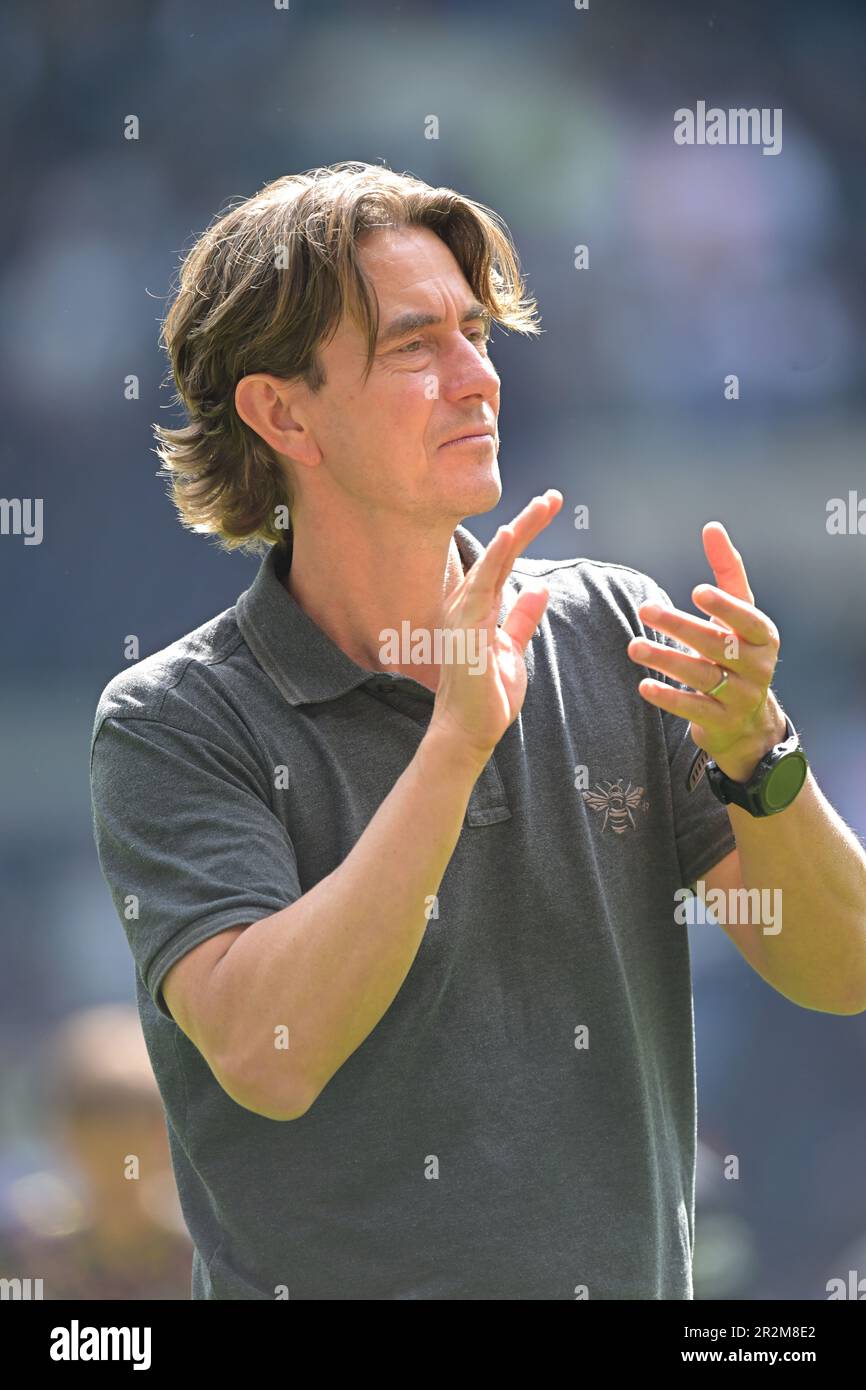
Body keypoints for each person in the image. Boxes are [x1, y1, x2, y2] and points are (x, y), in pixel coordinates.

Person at [90, 161, 862, 1301]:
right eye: (414, 345)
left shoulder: (613, 627)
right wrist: (453, 744)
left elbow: (840, 969)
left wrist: (764, 758)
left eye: (476, 333)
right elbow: (270, 1056)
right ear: (279, 411)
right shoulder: (174, 717)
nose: (475, 378)